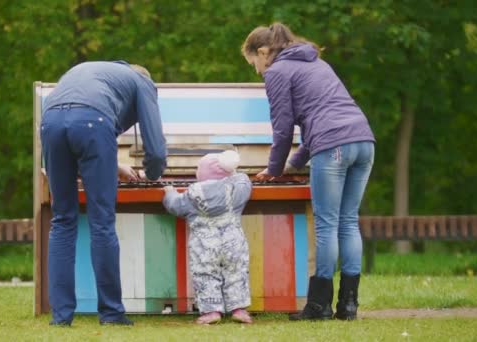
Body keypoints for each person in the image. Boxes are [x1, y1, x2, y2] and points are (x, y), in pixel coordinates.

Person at [241, 23, 375, 321]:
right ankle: (348, 305)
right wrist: (292, 164)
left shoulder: (277, 72)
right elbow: (319, 128)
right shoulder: (317, 63)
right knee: (348, 222)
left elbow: (284, 129)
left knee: (326, 226)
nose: (258, 71)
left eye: (254, 64)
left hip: (334, 147)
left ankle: (318, 306)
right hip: (364, 141)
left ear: (263, 52)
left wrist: (274, 170)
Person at [40, 61, 167, 326]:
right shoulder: (142, 81)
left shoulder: (94, 71)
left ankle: (61, 317)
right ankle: (111, 313)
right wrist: (152, 175)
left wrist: (115, 165)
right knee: (102, 223)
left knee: (62, 220)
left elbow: (70, 125)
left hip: (50, 121)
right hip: (94, 122)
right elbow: (155, 150)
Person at [162, 150, 253, 325]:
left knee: (205, 276)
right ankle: (239, 310)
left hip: (203, 245)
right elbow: (244, 179)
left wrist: (169, 193)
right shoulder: (237, 189)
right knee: (236, 273)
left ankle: (211, 312)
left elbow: (175, 206)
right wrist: (231, 171)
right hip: (233, 243)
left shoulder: (192, 195)